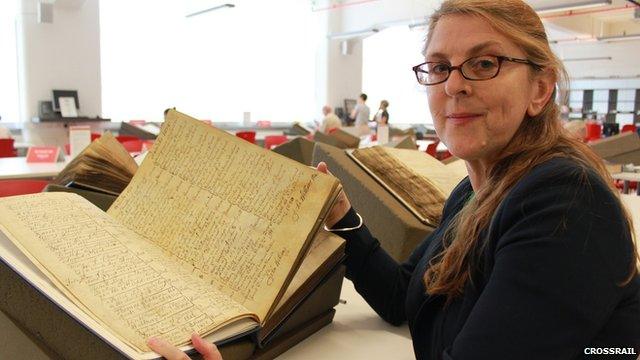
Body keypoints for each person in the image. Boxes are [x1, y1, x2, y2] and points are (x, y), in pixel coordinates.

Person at [149, 0, 640, 359]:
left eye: (485, 62)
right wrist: (342, 216)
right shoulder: (474, 192)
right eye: (440, 67)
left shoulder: (564, 202)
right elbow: (403, 296)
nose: (454, 85)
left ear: (540, 88)